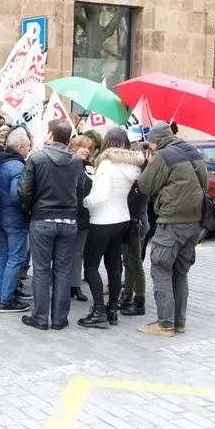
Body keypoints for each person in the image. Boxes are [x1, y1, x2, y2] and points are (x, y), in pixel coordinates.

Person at [136, 121, 208, 337]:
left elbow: (145, 186)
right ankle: (179, 321)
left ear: (155, 142)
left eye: (150, 144)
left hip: (172, 221)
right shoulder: (193, 151)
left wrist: (150, 162)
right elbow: (205, 182)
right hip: (195, 222)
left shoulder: (163, 156)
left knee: (161, 269)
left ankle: (165, 324)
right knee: (180, 272)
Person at [18, 119, 85, 331]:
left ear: (50, 135)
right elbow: (81, 190)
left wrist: (30, 208)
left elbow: (24, 190)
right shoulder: (76, 161)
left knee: (41, 270)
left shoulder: (37, 158)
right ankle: (59, 318)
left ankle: (40, 317)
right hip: (68, 219)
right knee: (63, 271)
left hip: (42, 218)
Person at [77, 129, 144, 329]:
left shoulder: (107, 164)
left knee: (91, 265)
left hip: (102, 220)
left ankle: (98, 311)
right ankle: (112, 309)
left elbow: (100, 196)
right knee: (114, 266)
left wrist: (84, 202)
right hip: (122, 218)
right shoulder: (133, 166)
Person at [0, 128, 32, 313]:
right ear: (20, 146)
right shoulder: (18, 167)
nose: (29, 148)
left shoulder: (0, 163)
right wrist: (27, 208)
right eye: (28, 145)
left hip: (1, 215)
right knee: (15, 257)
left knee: (4, 256)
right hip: (15, 218)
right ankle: (6, 299)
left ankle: (0, 295)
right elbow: (17, 195)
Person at [120, 141, 151, 317]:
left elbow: (133, 200)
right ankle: (127, 294)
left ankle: (139, 300)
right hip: (130, 222)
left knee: (135, 262)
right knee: (127, 261)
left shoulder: (142, 178)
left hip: (136, 224)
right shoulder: (135, 175)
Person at [67, 136, 94, 303]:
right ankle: (62, 282)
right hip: (68, 212)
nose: (86, 150)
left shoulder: (90, 166)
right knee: (64, 251)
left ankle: (75, 284)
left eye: (88, 148)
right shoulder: (68, 164)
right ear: (74, 147)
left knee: (78, 252)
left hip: (84, 214)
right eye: (82, 147)